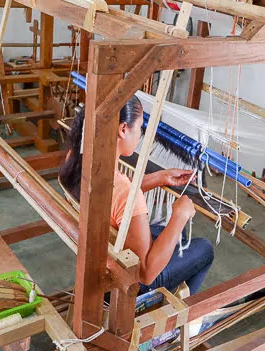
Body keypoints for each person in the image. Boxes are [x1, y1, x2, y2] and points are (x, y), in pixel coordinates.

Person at [59, 95, 214, 295]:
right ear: (123, 129)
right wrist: (179, 216)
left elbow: (113, 197)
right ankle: (174, 320)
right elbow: (145, 274)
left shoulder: (76, 159)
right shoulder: (123, 191)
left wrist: (160, 177)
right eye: (140, 127)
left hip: (96, 257)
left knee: (178, 236)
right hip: (128, 282)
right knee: (204, 248)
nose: (141, 134)